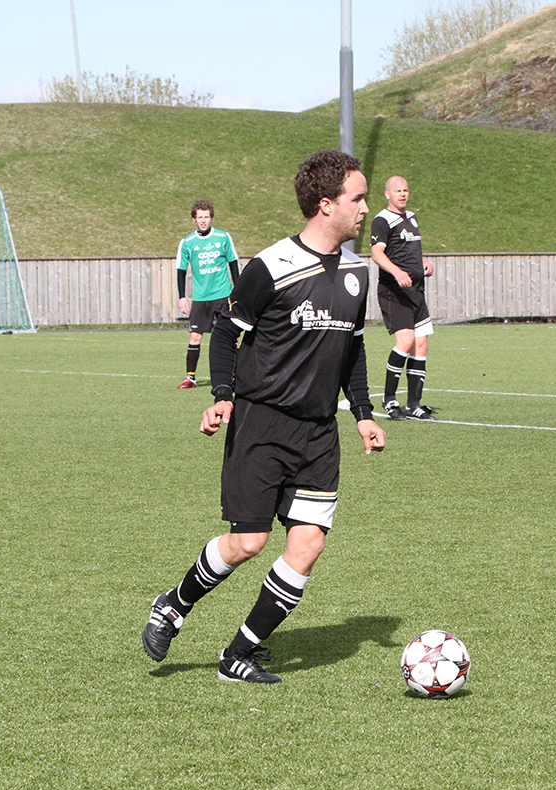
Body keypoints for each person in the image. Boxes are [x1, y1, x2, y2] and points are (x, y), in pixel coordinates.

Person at [142, 150, 386, 684]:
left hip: (319, 431)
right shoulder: (271, 266)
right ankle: (173, 605)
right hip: (262, 422)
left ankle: (238, 653)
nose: (366, 208)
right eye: (358, 197)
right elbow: (228, 332)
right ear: (326, 205)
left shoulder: (356, 272)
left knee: (308, 544)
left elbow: (354, 348)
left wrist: (363, 413)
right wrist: (224, 394)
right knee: (247, 543)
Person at [370, 175, 436, 420]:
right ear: (387, 194)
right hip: (393, 292)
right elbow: (377, 253)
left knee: (421, 344)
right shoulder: (382, 220)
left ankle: (414, 404)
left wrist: (424, 262)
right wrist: (397, 272)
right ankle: (389, 400)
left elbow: (409, 252)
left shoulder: (411, 218)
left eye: (405, 190)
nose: (402, 194)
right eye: (397, 190)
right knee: (406, 341)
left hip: (416, 292)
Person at [175, 200, 239, 389]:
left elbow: (233, 263)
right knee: (195, 336)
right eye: (200, 217)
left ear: (211, 217)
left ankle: (236, 376)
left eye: (206, 217)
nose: (203, 221)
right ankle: (190, 378)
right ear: (194, 218)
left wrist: (238, 292)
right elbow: (181, 269)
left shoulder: (223, 237)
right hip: (201, 298)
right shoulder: (187, 243)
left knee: (232, 337)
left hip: (223, 295)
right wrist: (182, 296)